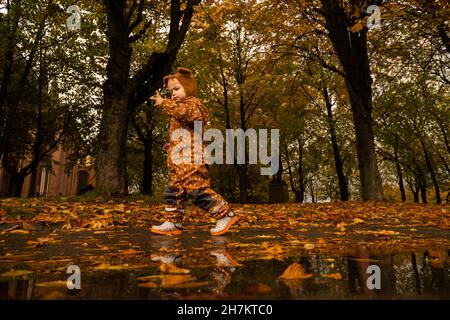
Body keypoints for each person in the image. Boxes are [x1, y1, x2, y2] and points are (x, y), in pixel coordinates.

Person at [149, 67, 238, 236]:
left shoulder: (194, 105)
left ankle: (225, 214)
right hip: (177, 158)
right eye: (170, 91)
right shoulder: (178, 108)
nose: (173, 94)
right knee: (174, 191)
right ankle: (173, 222)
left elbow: (187, 114)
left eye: (177, 89)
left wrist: (164, 103)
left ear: (188, 88)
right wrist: (172, 145)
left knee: (196, 189)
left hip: (191, 158)